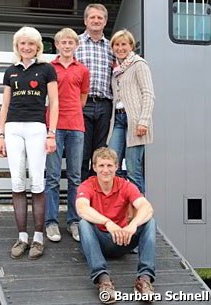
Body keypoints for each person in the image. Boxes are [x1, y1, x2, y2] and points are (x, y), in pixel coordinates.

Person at [0, 26, 59, 260]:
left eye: (31, 43)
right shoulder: (10, 71)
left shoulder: (47, 69)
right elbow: (5, 105)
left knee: (37, 182)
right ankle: (22, 237)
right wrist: (0, 134)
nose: (26, 47)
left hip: (36, 129)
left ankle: (39, 238)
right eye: (22, 43)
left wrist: (51, 133)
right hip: (13, 129)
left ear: (38, 46)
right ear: (17, 46)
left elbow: (54, 103)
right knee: (17, 181)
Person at [76, 147, 156, 304]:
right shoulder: (87, 185)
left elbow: (147, 207)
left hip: (123, 239)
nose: (105, 170)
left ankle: (144, 280)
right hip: (99, 242)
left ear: (116, 167)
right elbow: (82, 208)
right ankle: (103, 281)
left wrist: (133, 224)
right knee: (83, 224)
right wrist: (107, 222)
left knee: (150, 222)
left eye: (109, 166)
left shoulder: (125, 185)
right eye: (101, 166)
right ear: (94, 167)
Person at [45, 28, 89, 242]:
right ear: (57, 45)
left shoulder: (82, 69)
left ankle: (74, 221)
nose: (67, 45)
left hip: (76, 126)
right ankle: (51, 222)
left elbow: (83, 97)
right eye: (63, 42)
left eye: (71, 42)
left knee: (75, 177)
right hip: (54, 128)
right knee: (52, 177)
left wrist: (72, 112)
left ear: (76, 45)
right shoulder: (48, 68)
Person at [107, 29, 155, 195]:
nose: (120, 48)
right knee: (112, 163)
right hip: (118, 120)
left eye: (124, 44)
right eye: (117, 45)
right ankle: (120, 206)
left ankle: (139, 213)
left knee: (133, 169)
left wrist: (144, 121)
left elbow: (148, 94)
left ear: (131, 46)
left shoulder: (139, 64)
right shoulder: (116, 69)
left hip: (135, 121)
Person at [75, 3, 114, 181]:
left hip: (105, 105)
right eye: (92, 17)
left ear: (105, 22)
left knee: (100, 154)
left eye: (100, 18)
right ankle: (81, 200)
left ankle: (97, 198)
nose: (96, 21)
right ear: (85, 21)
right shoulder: (75, 43)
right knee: (81, 153)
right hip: (82, 104)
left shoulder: (111, 47)